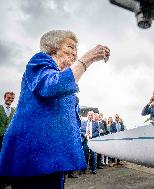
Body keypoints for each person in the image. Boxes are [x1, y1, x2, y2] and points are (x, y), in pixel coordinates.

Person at [0, 30, 110, 189]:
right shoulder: (39, 60)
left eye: (76, 49)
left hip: (50, 158)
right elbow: (53, 85)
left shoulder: (60, 73)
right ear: (53, 47)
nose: (75, 52)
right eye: (70, 47)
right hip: (35, 156)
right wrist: (87, 59)